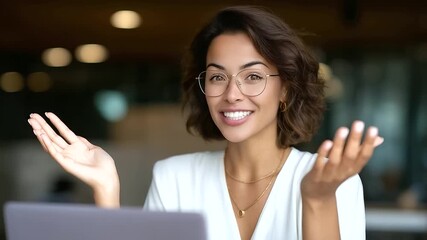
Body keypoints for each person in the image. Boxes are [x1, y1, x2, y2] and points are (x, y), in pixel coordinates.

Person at [27, 5, 384, 240]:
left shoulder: (333, 182)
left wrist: (317, 199)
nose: (232, 94)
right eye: (217, 77)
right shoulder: (174, 178)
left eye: (253, 76)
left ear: (286, 90)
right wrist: (107, 189)